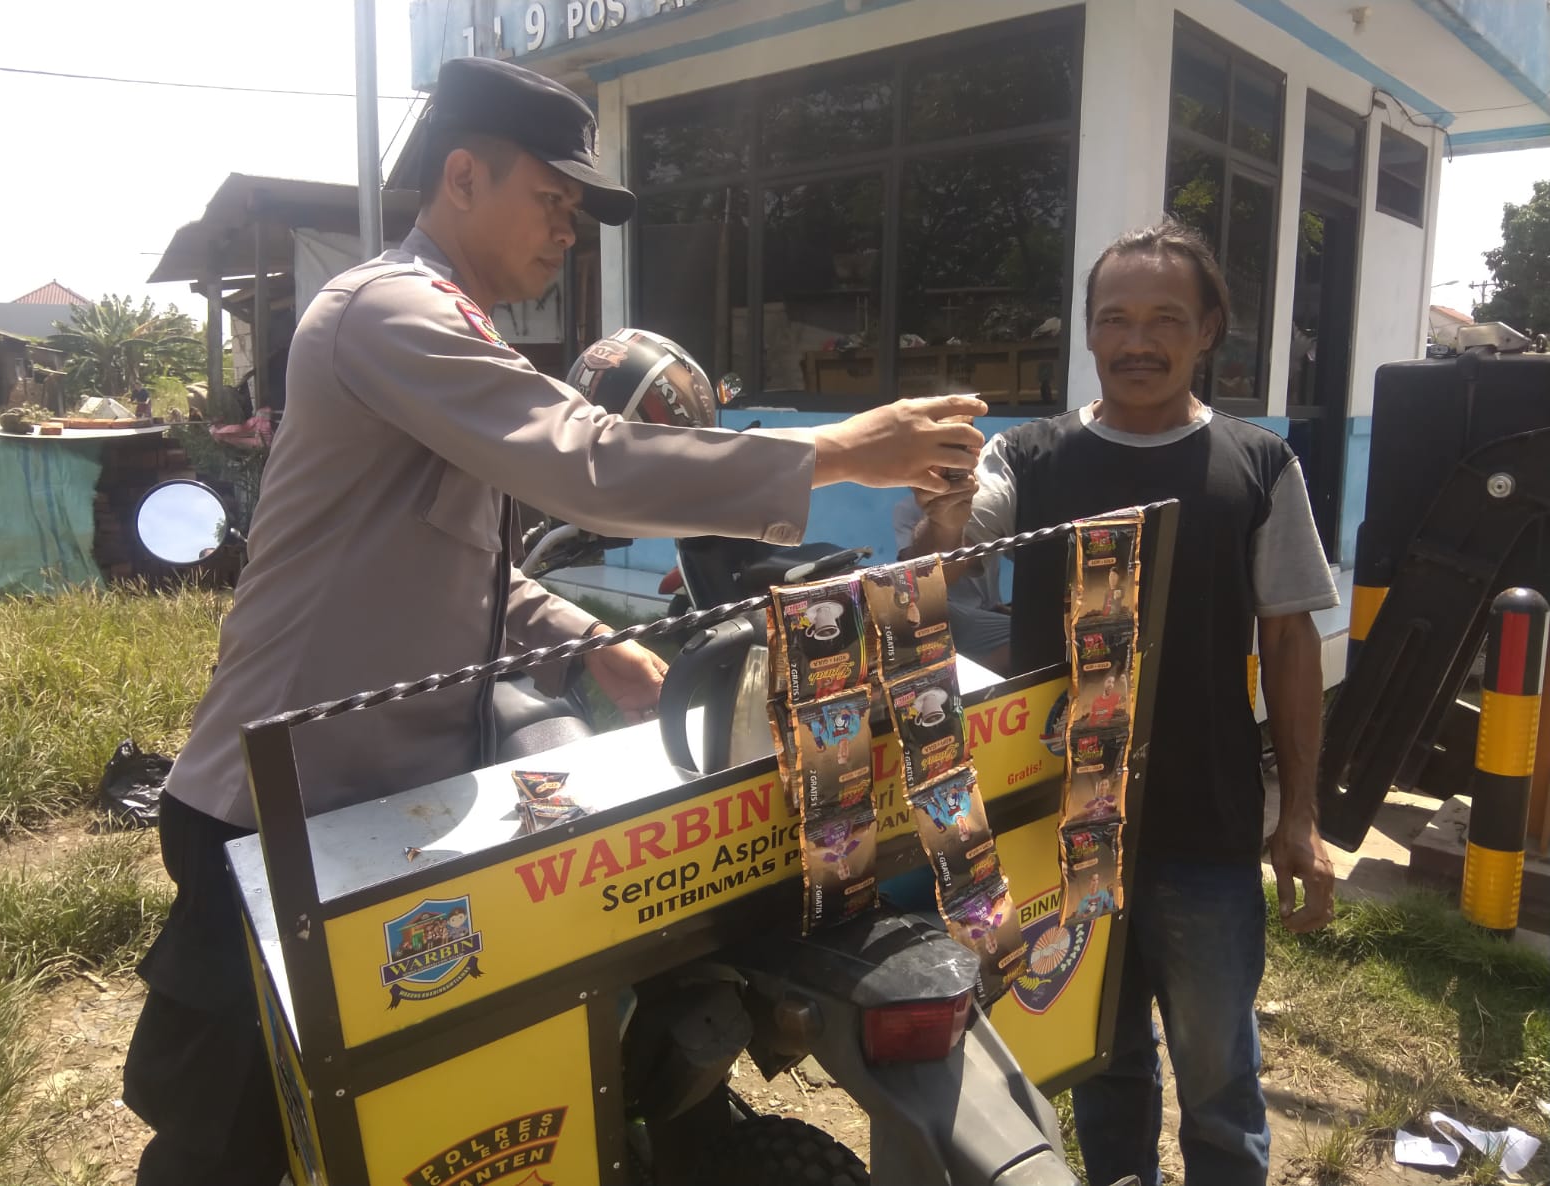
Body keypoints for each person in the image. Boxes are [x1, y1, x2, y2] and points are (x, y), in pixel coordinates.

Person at [123, 56, 985, 1186]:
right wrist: (840, 451)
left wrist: (603, 649)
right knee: (225, 1144)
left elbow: (471, 569)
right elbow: (587, 463)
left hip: (387, 813)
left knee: (413, 1117)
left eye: (575, 210)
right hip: (272, 812)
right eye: (551, 198)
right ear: (463, 177)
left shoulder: (454, 331)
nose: (566, 231)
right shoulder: (389, 308)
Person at [913, 220, 1338, 1186]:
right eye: (1114, 319)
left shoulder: (1258, 464)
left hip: (1206, 826)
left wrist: (1299, 814)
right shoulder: (1027, 458)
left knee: (1219, 1076)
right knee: (1101, 1062)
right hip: (1064, 825)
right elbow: (948, 559)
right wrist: (939, 513)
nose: (1136, 341)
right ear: (1088, 332)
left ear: (1208, 330)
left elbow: (1288, 641)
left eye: (1164, 319)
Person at [892, 495, 1010, 671]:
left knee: (1035, 631)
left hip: (989, 610)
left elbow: (977, 565)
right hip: (946, 610)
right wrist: (941, 524)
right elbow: (918, 574)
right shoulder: (907, 509)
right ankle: (968, 682)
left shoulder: (982, 495)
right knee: (1027, 637)